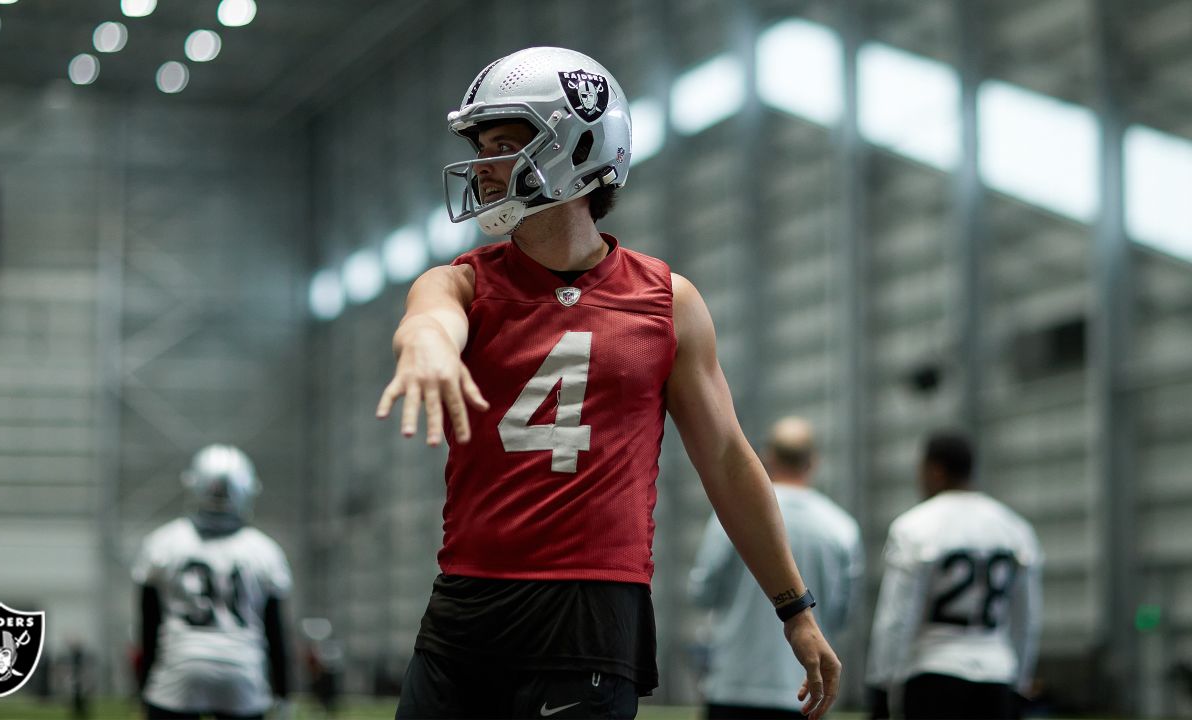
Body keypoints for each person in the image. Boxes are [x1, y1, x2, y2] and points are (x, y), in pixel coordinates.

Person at [375, 46, 841, 720]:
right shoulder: (464, 282)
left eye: (505, 142)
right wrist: (426, 347)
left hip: (591, 613)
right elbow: (428, 319)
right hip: (467, 602)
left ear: (575, 144)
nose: (483, 165)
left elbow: (727, 460)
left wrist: (795, 610)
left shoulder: (668, 300)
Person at [690, 417, 862, 719]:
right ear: (813, 462)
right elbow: (841, 612)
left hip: (734, 684)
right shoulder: (841, 528)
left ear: (768, 457)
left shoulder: (730, 516)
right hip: (805, 691)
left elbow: (703, 592)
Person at [865, 431, 1042, 720]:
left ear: (935, 470)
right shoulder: (1015, 529)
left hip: (932, 670)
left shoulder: (915, 526)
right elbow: (1027, 617)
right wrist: (1020, 680)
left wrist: (882, 683)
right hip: (997, 672)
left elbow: (896, 617)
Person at [133, 444, 293, 720]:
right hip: (242, 669)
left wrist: (142, 685)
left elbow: (148, 626)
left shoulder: (163, 542)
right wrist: (283, 692)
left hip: (181, 669)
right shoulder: (265, 550)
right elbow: (275, 631)